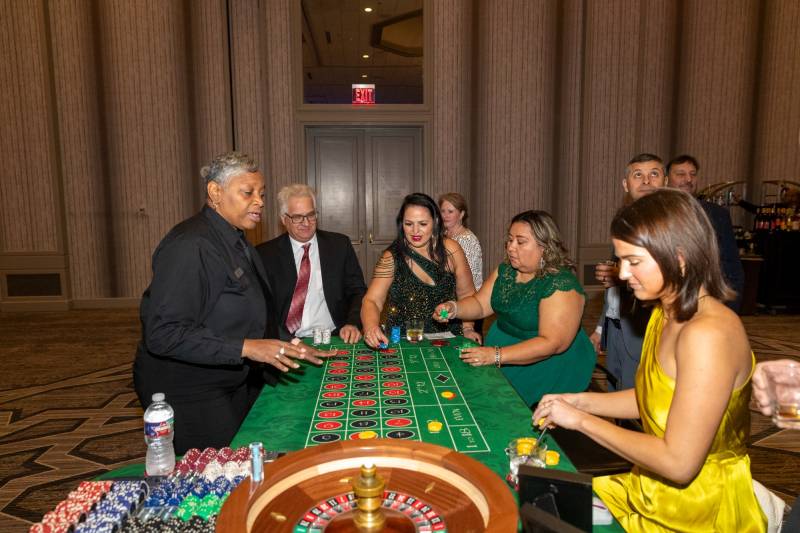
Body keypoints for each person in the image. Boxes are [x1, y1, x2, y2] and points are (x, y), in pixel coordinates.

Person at [533, 189, 766, 532]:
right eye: (621, 261)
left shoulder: (708, 334)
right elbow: (654, 398)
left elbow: (679, 464)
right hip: (651, 488)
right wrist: (579, 401)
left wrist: (581, 420)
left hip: (699, 510)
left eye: (634, 261)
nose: (623, 274)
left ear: (679, 256)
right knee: (542, 506)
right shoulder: (663, 312)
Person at [133, 152, 330, 454]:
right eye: (248, 193)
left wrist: (288, 342)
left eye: (262, 194)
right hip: (189, 388)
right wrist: (247, 347)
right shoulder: (190, 245)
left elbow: (251, 308)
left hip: (230, 376)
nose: (259, 202)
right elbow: (164, 333)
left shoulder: (236, 240)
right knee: (217, 472)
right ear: (215, 192)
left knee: (249, 458)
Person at [433, 210, 596, 407]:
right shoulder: (506, 271)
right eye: (510, 240)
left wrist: (496, 355)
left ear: (544, 246)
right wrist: (454, 308)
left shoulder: (561, 284)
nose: (511, 247)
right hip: (503, 357)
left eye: (520, 241)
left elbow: (552, 343)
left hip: (547, 369)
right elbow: (480, 305)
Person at [361, 193, 481, 347]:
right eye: (409, 224)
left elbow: (467, 295)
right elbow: (372, 300)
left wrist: (468, 328)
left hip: (448, 338)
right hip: (403, 340)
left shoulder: (452, 250)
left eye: (423, 224)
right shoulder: (391, 257)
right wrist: (370, 327)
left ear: (435, 222)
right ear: (401, 224)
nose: (415, 231)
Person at [591, 153, 667, 390]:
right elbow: (615, 288)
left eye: (653, 174)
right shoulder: (624, 221)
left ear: (665, 181)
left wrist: (618, 275)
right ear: (626, 184)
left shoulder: (673, 225)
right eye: (638, 175)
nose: (646, 181)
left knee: (642, 399)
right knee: (615, 390)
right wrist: (601, 328)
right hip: (617, 329)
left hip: (649, 330)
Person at [256, 184, 367, 343]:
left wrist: (353, 323)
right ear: (284, 219)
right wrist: (290, 341)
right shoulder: (265, 254)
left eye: (311, 215)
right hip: (286, 340)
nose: (306, 223)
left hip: (333, 337)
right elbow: (261, 308)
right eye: (297, 217)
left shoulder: (339, 245)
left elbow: (357, 291)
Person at [667, 154, 745, 312]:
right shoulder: (655, 213)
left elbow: (731, 265)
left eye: (693, 174)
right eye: (681, 174)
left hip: (709, 302)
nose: (688, 179)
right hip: (666, 302)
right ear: (666, 179)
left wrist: (731, 307)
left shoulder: (717, 214)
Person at [438, 193, 483, 291]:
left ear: (461, 214)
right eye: (443, 211)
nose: (445, 216)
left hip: (466, 295)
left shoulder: (468, 240)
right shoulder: (442, 235)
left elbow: (470, 279)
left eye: (450, 211)